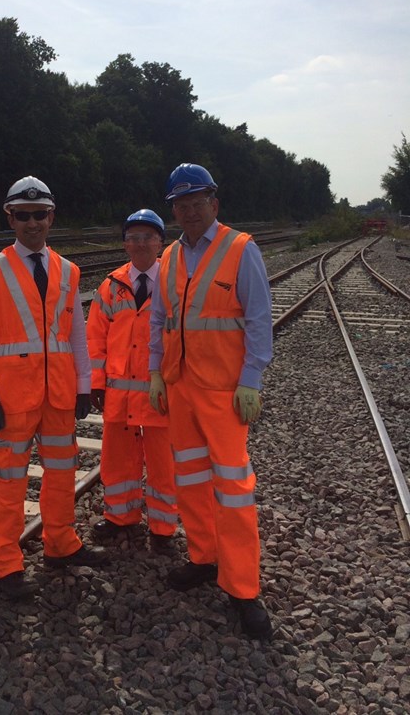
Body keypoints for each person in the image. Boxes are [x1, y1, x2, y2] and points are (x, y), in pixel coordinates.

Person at [148, 164, 273, 639]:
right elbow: (161, 322)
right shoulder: (170, 260)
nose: (189, 211)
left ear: (214, 204)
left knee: (234, 490)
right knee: (192, 480)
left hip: (224, 393)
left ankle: (242, 587)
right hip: (180, 390)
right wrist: (158, 376)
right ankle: (203, 556)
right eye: (181, 205)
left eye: (197, 202)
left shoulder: (241, 250)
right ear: (174, 210)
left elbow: (259, 319)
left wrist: (251, 379)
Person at [0, 175, 107, 600]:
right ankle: (6, 564)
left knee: (62, 472)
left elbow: (77, 335)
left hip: (59, 394)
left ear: (52, 217)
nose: (33, 223)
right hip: (11, 398)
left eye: (40, 215)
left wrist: (85, 385)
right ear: (10, 218)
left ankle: (61, 543)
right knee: (9, 482)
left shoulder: (68, 270)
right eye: (24, 215)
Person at [86, 209, 178, 549]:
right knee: (117, 460)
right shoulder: (110, 287)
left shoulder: (173, 285)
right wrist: (95, 382)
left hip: (160, 394)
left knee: (163, 464)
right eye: (133, 238)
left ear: (161, 243)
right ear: (125, 244)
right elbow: (94, 338)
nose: (140, 244)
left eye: (148, 237)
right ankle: (120, 516)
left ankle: (163, 528)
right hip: (119, 395)